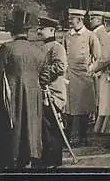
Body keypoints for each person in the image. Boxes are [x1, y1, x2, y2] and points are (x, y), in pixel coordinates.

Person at [0, 8, 45, 169]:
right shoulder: (38, 50)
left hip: (10, 97)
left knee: (9, 130)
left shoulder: (6, 48)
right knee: (30, 129)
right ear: (27, 32)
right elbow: (45, 76)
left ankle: (8, 162)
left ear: (12, 32)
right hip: (33, 98)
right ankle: (27, 158)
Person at [62, 8, 101, 147]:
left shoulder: (90, 35)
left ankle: (83, 137)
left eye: (72, 19)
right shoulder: (67, 35)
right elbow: (63, 53)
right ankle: (68, 137)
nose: (70, 21)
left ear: (80, 20)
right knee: (69, 107)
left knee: (83, 108)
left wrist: (91, 69)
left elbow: (98, 57)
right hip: (71, 75)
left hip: (84, 76)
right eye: (70, 18)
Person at [35, 16, 68, 169]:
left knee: (52, 127)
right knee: (44, 127)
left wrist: (42, 75)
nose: (38, 31)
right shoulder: (41, 47)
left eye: (42, 29)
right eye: (39, 28)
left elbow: (60, 67)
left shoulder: (57, 47)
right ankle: (46, 159)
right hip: (42, 92)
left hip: (53, 93)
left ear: (52, 30)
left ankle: (53, 161)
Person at [88, 10, 110, 134]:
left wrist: (93, 68)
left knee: (105, 101)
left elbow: (104, 57)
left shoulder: (105, 34)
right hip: (103, 69)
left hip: (106, 71)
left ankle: (104, 128)